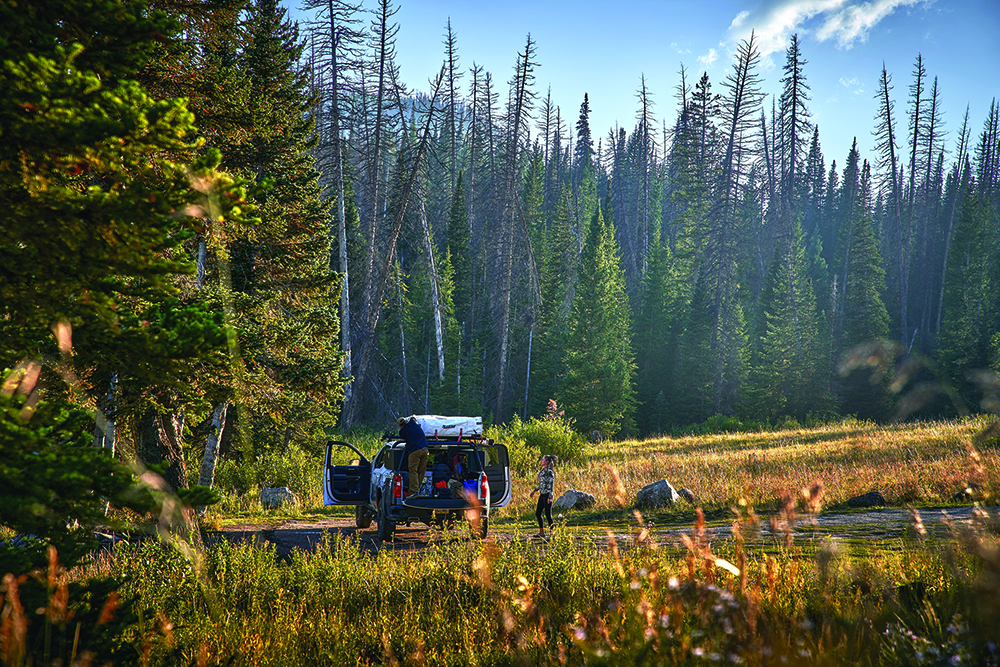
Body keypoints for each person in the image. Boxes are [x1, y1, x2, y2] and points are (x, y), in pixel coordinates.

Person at [397, 416, 429, 498]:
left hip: (414, 451)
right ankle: (418, 489)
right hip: (425, 450)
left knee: (413, 471)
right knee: (421, 470)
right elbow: (412, 419)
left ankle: (414, 492)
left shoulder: (403, 431)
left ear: (400, 425)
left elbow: (402, 435)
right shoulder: (414, 425)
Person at [529, 454, 557, 538]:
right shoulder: (542, 471)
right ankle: (541, 533)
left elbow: (551, 484)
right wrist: (534, 491)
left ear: (547, 462)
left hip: (547, 495)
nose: (541, 461)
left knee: (548, 515)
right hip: (542, 494)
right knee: (538, 513)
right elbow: (541, 483)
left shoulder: (549, 472)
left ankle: (553, 534)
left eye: (543, 460)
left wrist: (550, 495)